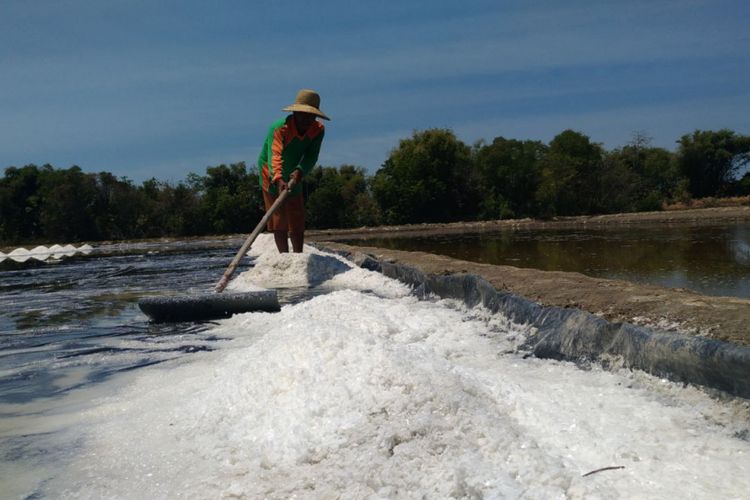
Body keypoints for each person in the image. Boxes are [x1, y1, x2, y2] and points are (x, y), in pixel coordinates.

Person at [257, 89, 329, 253]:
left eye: (310, 116)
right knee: (278, 215)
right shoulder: (279, 128)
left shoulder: (317, 130)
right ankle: (284, 257)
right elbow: (274, 155)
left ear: (315, 117)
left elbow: (311, 156)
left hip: (294, 173)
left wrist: (300, 170)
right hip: (270, 171)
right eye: (302, 115)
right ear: (295, 113)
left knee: (296, 213)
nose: (306, 120)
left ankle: (298, 256)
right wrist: (278, 178)